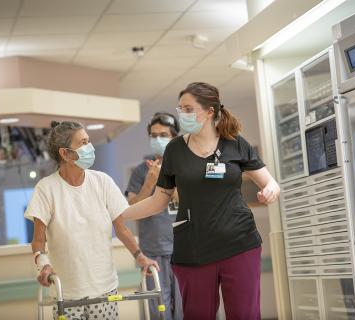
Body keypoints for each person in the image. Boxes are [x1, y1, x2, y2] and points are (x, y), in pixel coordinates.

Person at [119, 82, 281, 319]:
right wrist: (119, 213)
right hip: (193, 250)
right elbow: (158, 201)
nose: (182, 115)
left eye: (188, 109)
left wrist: (270, 191)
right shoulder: (175, 150)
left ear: (209, 112)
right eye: (180, 109)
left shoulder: (235, 143)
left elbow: (271, 182)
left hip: (239, 243)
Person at [24, 121, 158, 320]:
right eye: (83, 143)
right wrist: (43, 265)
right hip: (66, 294)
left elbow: (121, 229)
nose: (91, 148)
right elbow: (38, 239)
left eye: (89, 141)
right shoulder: (46, 188)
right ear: (66, 154)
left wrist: (140, 256)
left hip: (104, 288)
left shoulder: (102, 182)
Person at [125, 112, 183, 320]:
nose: (158, 139)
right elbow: (131, 209)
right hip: (153, 253)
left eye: (163, 134)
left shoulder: (185, 166)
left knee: (186, 309)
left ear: (174, 137)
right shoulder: (141, 171)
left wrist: (166, 180)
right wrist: (150, 182)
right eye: (154, 135)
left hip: (185, 249)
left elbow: (193, 202)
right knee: (159, 310)